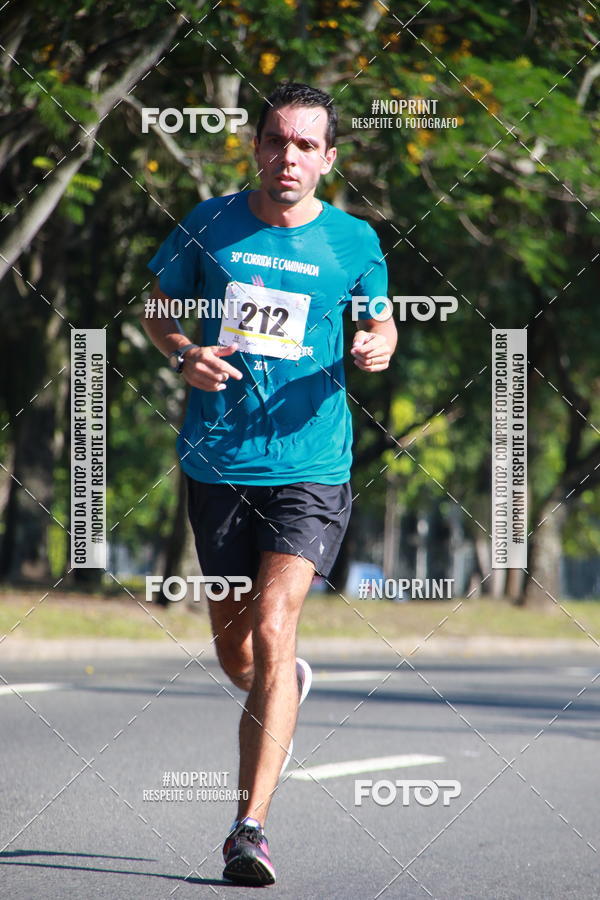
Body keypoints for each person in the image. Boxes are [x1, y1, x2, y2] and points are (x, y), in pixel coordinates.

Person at [142, 81, 397, 886]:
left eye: (305, 145)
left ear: (328, 158)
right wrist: (183, 351)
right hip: (217, 461)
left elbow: (381, 316)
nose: (289, 157)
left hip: (312, 468)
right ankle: (279, 680)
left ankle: (248, 828)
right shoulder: (210, 223)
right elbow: (157, 303)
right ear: (256, 146)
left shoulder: (353, 241)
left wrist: (378, 342)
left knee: (276, 626)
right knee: (238, 653)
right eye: (276, 141)